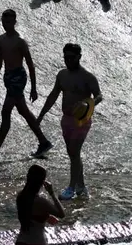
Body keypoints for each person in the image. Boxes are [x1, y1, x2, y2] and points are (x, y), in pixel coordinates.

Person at [0, 9, 53, 161]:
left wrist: (34, 88)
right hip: (8, 77)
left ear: (14, 22)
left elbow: (30, 65)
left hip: (18, 77)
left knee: (6, 111)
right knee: (24, 112)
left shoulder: (20, 41)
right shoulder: (0, 40)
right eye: (4, 21)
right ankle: (43, 142)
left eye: (9, 22)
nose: (6, 24)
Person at [36, 43, 103, 200]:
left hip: (81, 120)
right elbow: (53, 95)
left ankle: (71, 188)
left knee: (74, 151)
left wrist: (88, 103)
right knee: (73, 154)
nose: (68, 61)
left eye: (71, 58)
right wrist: (41, 115)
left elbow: (99, 95)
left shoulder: (88, 77)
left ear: (79, 57)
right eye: (66, 58)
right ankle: (81, 186)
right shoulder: (62, 75)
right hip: (66, 119)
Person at [13, 164, 65, 245]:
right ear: (42, 182)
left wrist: (45, 217)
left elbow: (29, 214)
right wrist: (52, 193)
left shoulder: (21, 197)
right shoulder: (41, 201)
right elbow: (61, 214)